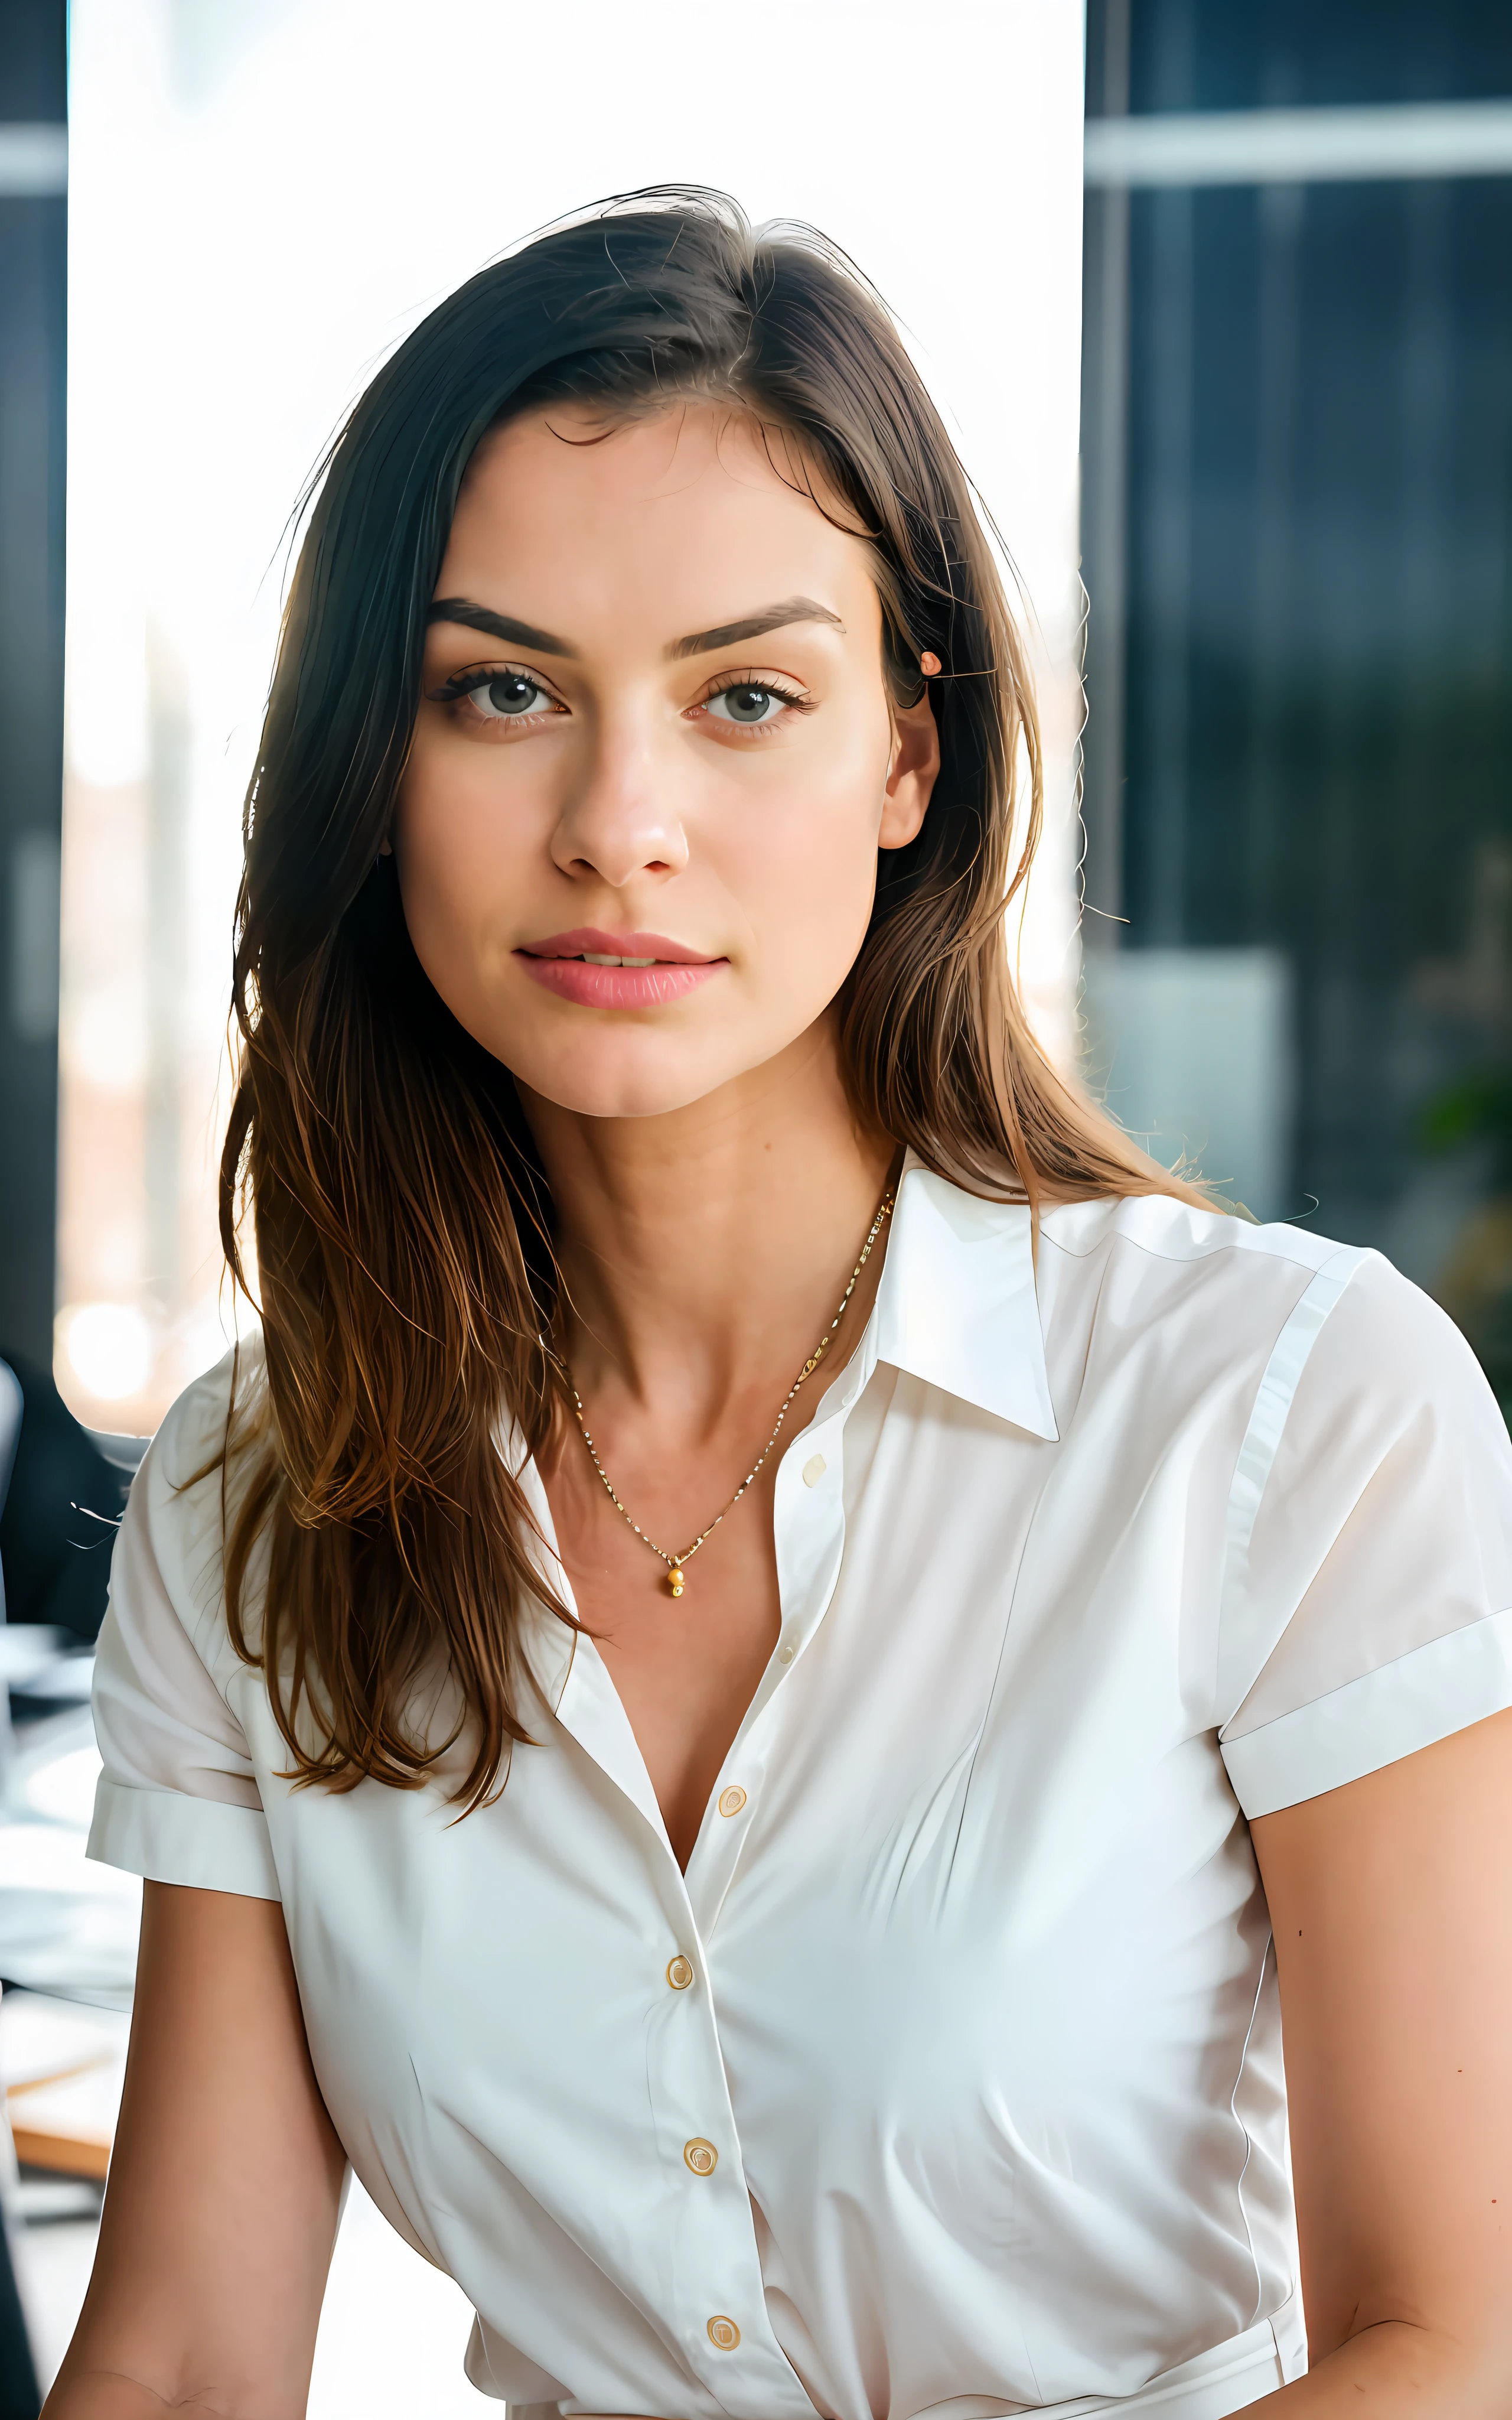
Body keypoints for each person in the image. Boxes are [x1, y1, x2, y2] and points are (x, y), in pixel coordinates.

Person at [45, 193, 1512, 2420]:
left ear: (910, 761)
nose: (620, 823)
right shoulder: (266, 1491)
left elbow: (1462, 2344)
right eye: (503, 690)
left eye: (746, 697)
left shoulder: (1285, 1410)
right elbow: (173, 2366)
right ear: (375, 765)